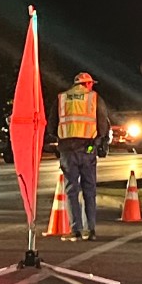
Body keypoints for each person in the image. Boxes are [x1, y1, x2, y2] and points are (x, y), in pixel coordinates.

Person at [55, 71, 111, 241]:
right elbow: (103, 124)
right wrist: (99, 142)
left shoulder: (61, 98)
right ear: (86, 84)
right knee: (89, 189)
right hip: (87, 148)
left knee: (71, 190)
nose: (92, 86)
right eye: (91, 83)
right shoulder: (93, 98)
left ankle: (75, 229)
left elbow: (51, 126)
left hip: (66, 149)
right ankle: (91, 229)